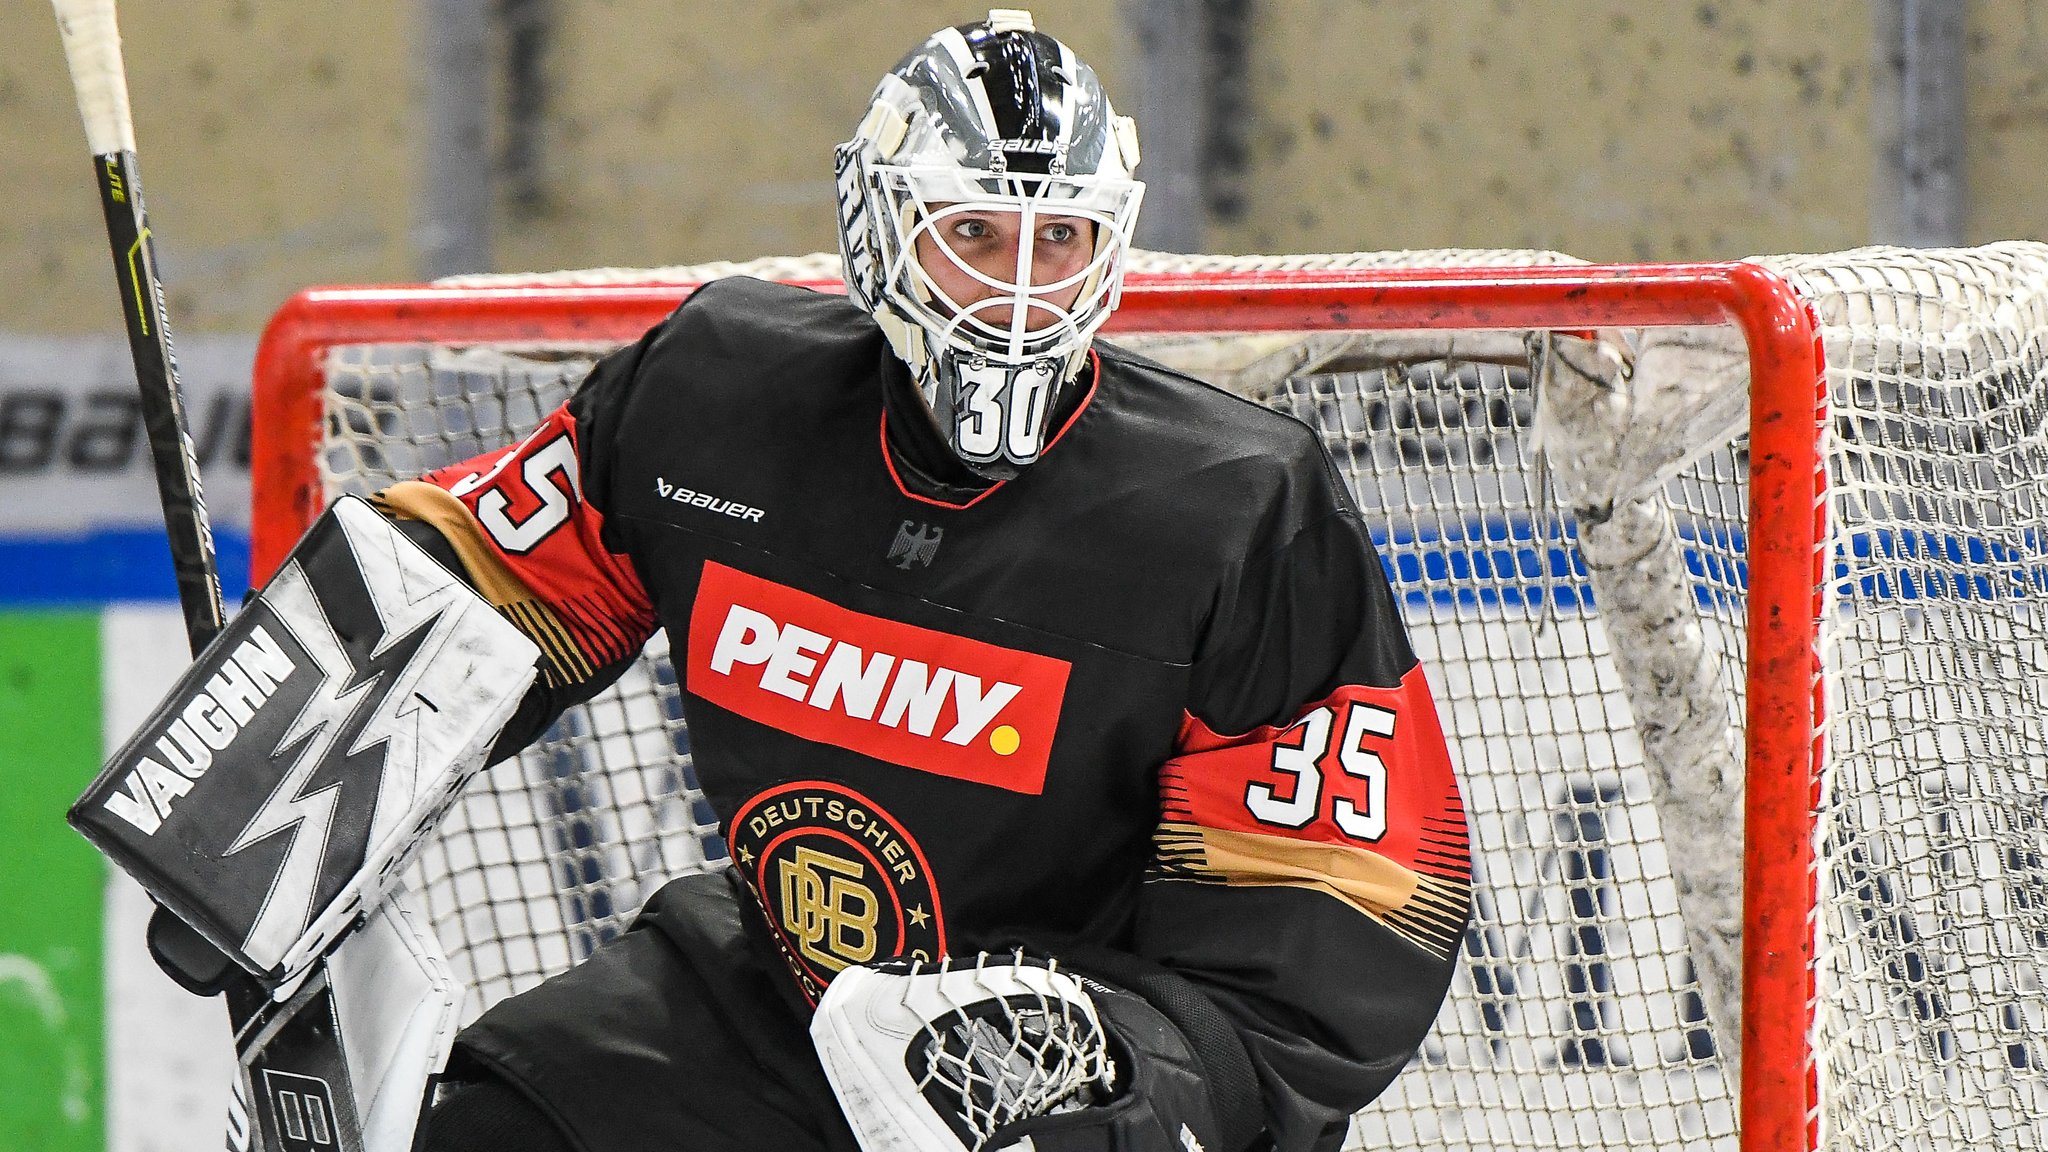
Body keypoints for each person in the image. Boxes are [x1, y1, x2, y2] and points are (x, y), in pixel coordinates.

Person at [388, 10, 1471, 1152]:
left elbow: (1342, 901)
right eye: (973, 232)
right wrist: (272, 773)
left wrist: (1145, 1085)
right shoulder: (713, 398)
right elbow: (472, 584)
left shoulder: (1235, 506)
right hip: (772, 993)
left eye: (1057, 239)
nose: (1016, 290)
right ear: (880, 225)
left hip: (1066, 1049)